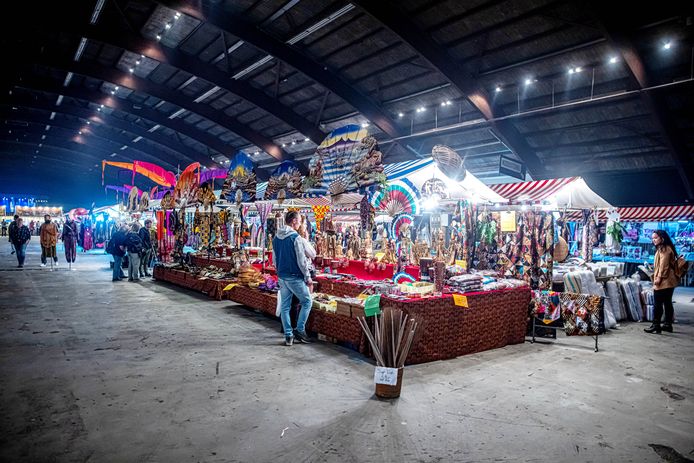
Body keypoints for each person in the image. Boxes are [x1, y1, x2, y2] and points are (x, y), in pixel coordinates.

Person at [273, 210, 314, 346]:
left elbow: (274, 259)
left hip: (282, 276)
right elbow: (301, 261)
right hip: (294, 276)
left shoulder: (276, 238)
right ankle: (300, 330)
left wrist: (279, 271)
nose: (300, 224)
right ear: (294, 221)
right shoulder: (295, 237)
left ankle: (288, 335)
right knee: (307, 301)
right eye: (299, 221)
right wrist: (308, 278)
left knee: (285, 306)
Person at [645, 230, 679, 334]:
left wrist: (659, 278)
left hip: (664, 280)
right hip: (669, 280)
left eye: (655, 238)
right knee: (667, 302)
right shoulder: (664, 248)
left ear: (662, 238)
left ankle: (656, 325)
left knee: (657, 303)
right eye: (652, 238)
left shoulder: (665, 249)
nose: (653, 240)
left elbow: (664, 266)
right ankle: (667, 324)